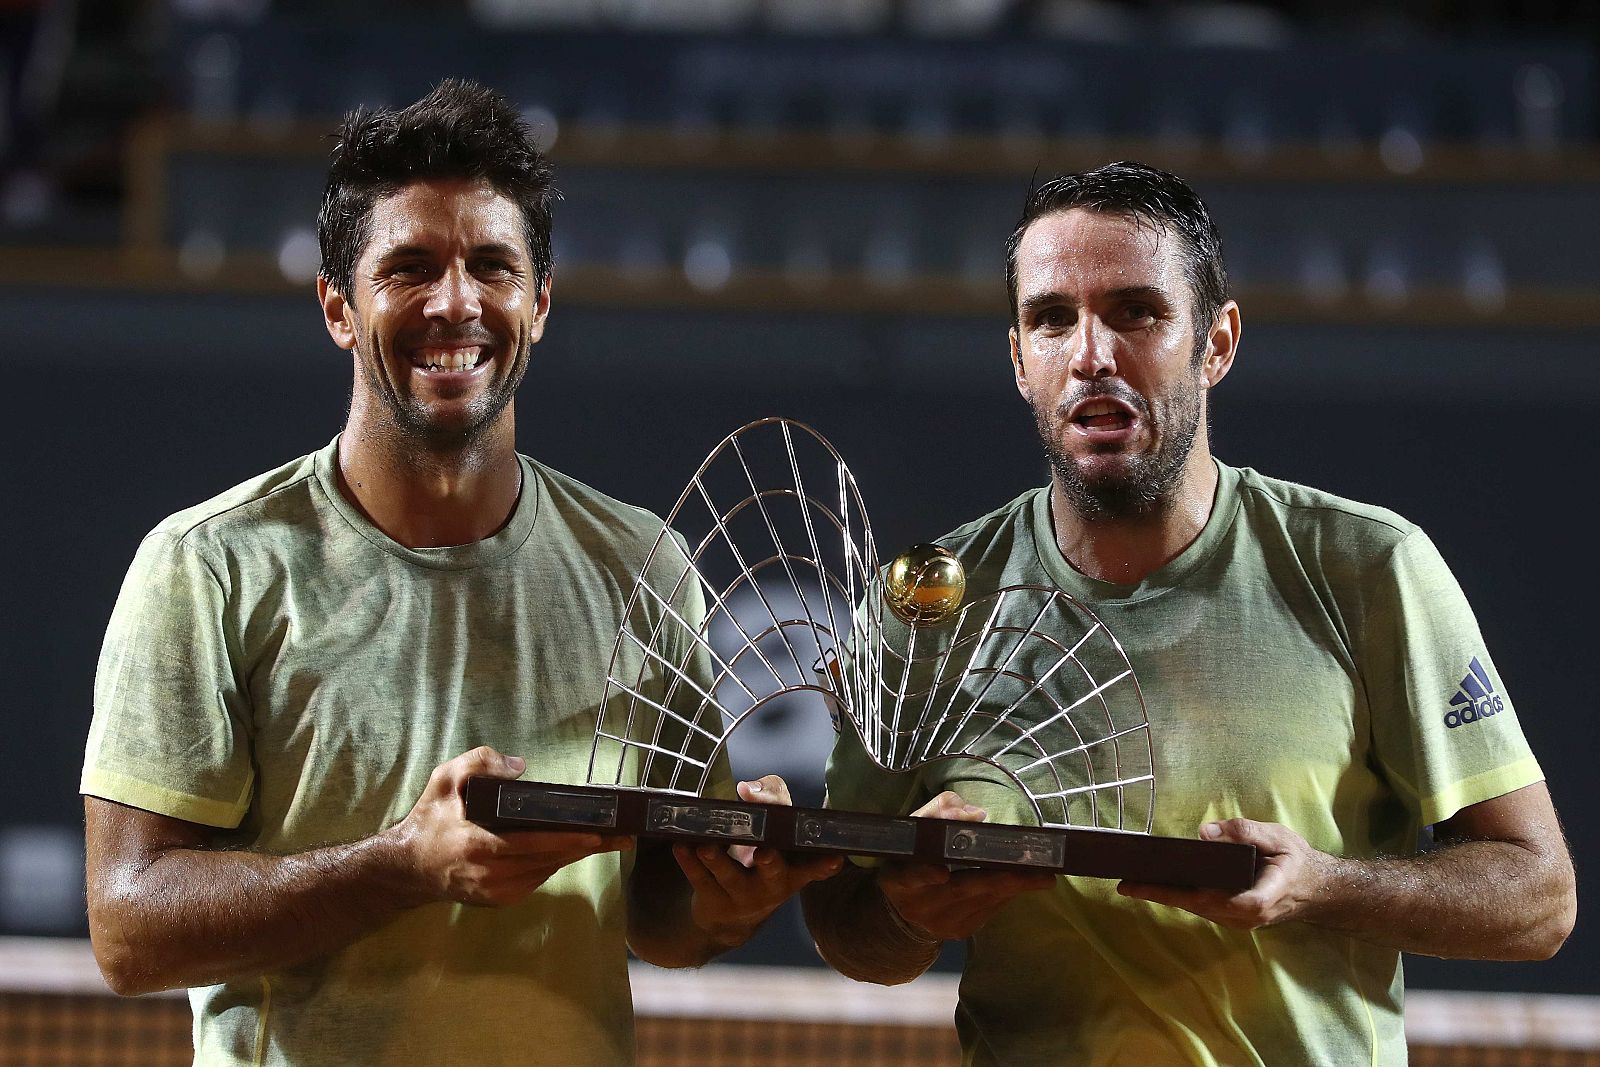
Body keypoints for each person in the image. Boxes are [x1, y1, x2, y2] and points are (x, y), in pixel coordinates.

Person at [82, 80, 838, 1067]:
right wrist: (401, 864)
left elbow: (658, 913)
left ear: (539, 301)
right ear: (338, 310)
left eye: (491, 264)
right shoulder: (208, 565)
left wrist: (726, 896)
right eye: (409, 267)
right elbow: (130, 929)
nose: (456, 301)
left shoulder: (641, 559)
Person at [801, 161, 1576, 1066]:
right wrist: (906, 909)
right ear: (1018, 359)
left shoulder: (1369, 566)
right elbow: (846, 927)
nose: (1091, 353)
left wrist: (1319, 885)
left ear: (1217, 342)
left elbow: (1538, 897)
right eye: (1052, 318)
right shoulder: (928, 602)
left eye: (1136, 311)